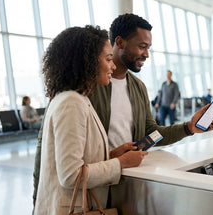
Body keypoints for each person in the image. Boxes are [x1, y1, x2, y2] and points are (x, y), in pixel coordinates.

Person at [33, 13, 213, 208]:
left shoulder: (138, 87)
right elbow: (50, 147)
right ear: (120, 42)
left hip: (124, 182)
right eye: (142, 46)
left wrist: (189, 127)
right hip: (88, 191)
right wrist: (36, 191)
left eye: (148, 48)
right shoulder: (80, 91)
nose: (146, 54)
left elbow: (151, 133)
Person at [33, 25, 147, 214]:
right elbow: (71, 176)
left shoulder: (76, 99)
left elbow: (78, 159)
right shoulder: (71, 102)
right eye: (108, 59)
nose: (113, 66)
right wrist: (121, 163)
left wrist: (113, 154)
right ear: (87, 62)